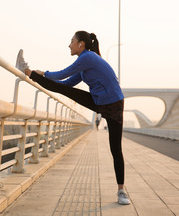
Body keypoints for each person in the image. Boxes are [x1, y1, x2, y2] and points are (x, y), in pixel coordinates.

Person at [15, 30, 130, 205]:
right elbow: (65, 84)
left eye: (71, 41)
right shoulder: (84, 65)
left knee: (116, 149)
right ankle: (26, 70)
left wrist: (44, 73)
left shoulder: (87, 58)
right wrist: (39, 77)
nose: (69, 45)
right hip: (98, 101)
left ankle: (121, 191)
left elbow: (61, 74)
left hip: (114, 104)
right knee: (64, 89)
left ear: (81, 44)